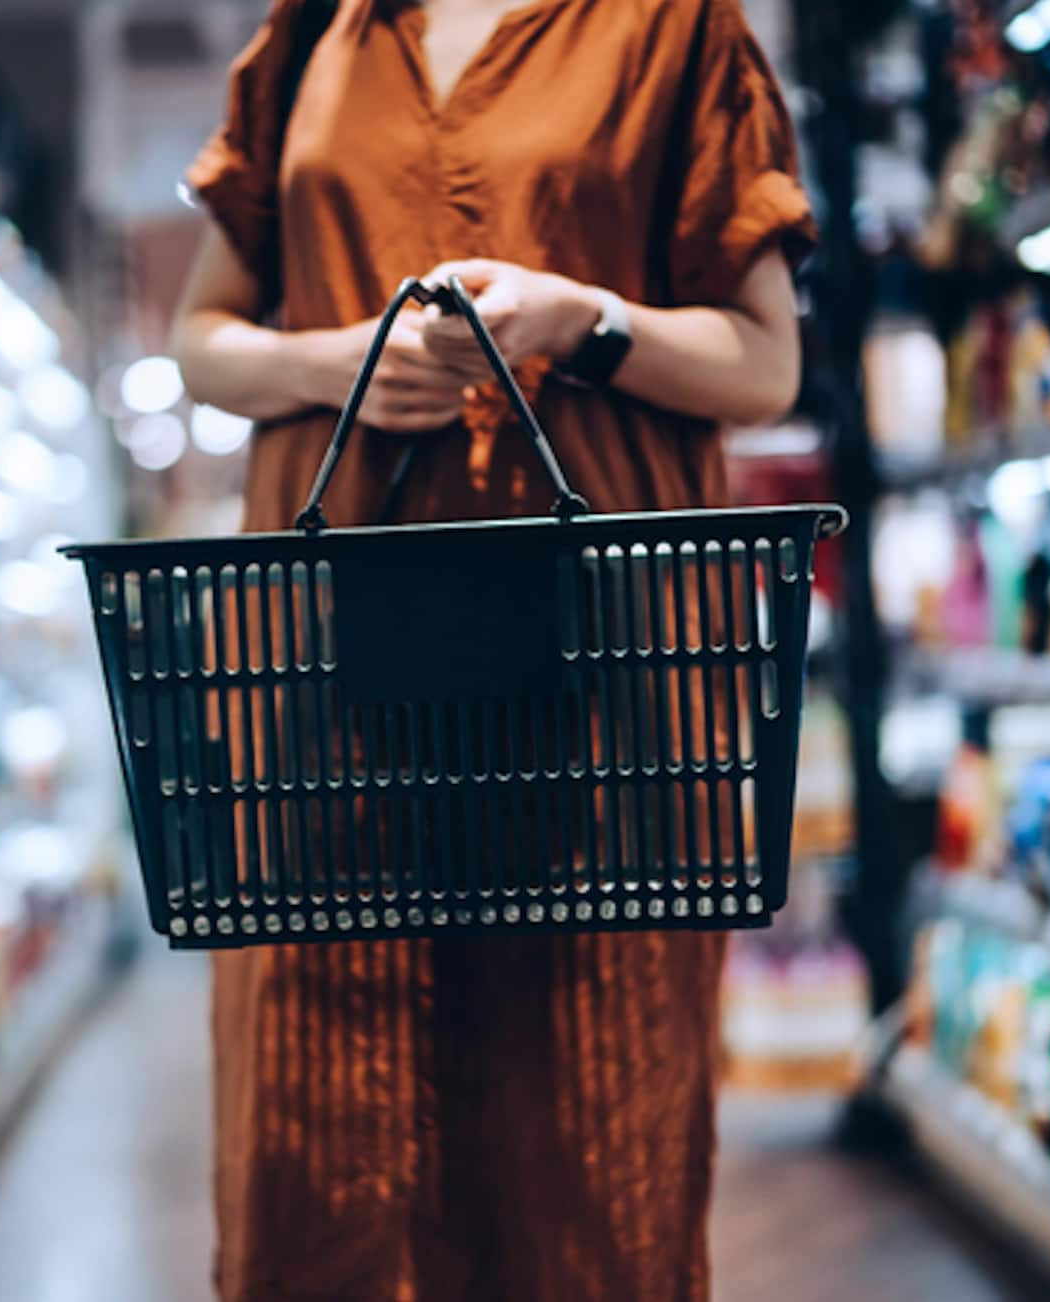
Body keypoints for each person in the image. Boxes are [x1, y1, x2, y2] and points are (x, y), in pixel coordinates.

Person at [171, 0, 815, 1297]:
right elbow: (202, 340)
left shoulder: (673, 31)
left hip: (603, 687)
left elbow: (765, 364)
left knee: (588, 1148)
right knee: (314, 1150)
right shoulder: (313, 35)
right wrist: (334, 357)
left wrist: (580, 317)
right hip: (322, 684)